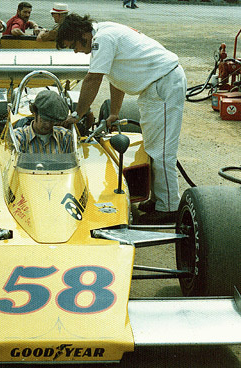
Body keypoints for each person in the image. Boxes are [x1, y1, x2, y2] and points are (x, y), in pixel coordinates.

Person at [56, 14, 187, 224]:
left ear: (82, 35)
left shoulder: (103, 39)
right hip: (156, 86)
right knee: (152, 147)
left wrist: (76, 115)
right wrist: (114, 112)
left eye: (73, 46)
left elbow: (93, 79)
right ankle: (159, 199)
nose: (75, 51)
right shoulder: (103, 33)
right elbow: (116, 76)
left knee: (161, 151)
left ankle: (169, 208)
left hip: (163, 84)